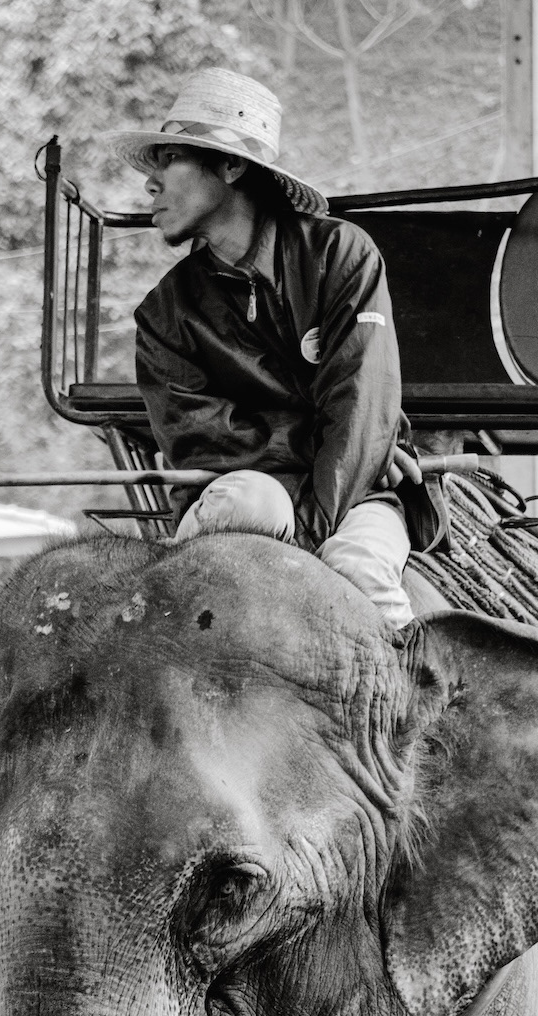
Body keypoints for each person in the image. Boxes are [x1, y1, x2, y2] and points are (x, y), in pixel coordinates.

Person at [112, 68, 442, 630]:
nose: (151, 183)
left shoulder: (340, 255)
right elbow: (201, 442)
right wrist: (315, 439)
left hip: (361, 493)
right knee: (251, 505)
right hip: (253, 495)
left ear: (232, 166)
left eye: (170, 160)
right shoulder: (164, 314)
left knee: (359, 566)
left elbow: (363, 403)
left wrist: (318, 518)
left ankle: (414, 708)